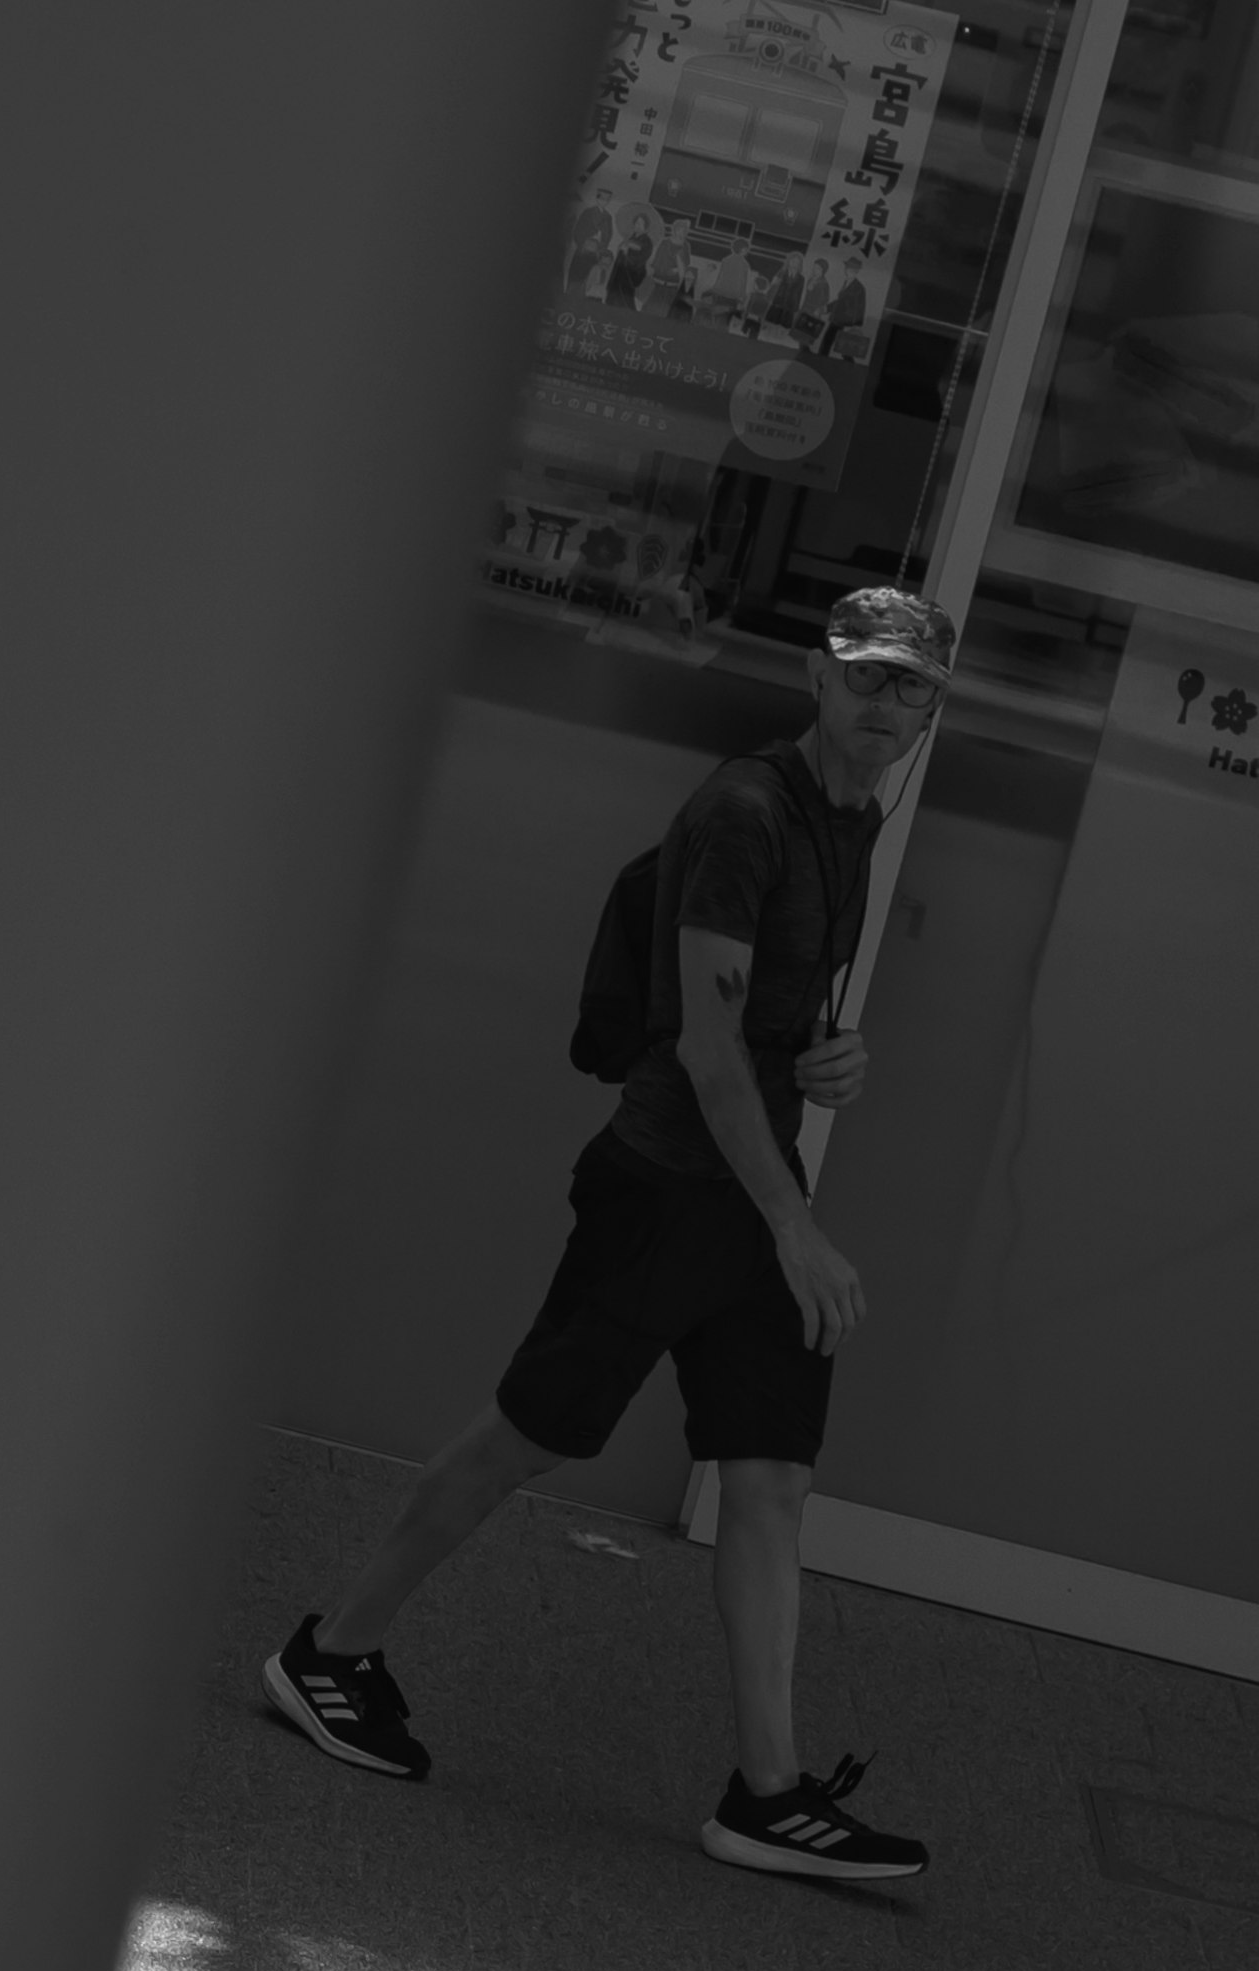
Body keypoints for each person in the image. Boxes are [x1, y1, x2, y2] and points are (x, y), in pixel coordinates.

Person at [263, 586, 956, 1884]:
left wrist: (825, 1059)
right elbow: (700, 1042)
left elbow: (754, 1021)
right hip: (666, 1193)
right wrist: (795, 1223)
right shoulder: (748, 817)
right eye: (863, 677)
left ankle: (767, 1790)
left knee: (771, 1477)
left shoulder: (857, 820)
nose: (882, 706)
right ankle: (329, 1654)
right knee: (528, 1434)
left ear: (932, 712)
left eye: (909, 688)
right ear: (815, 677)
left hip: (749, 1204)